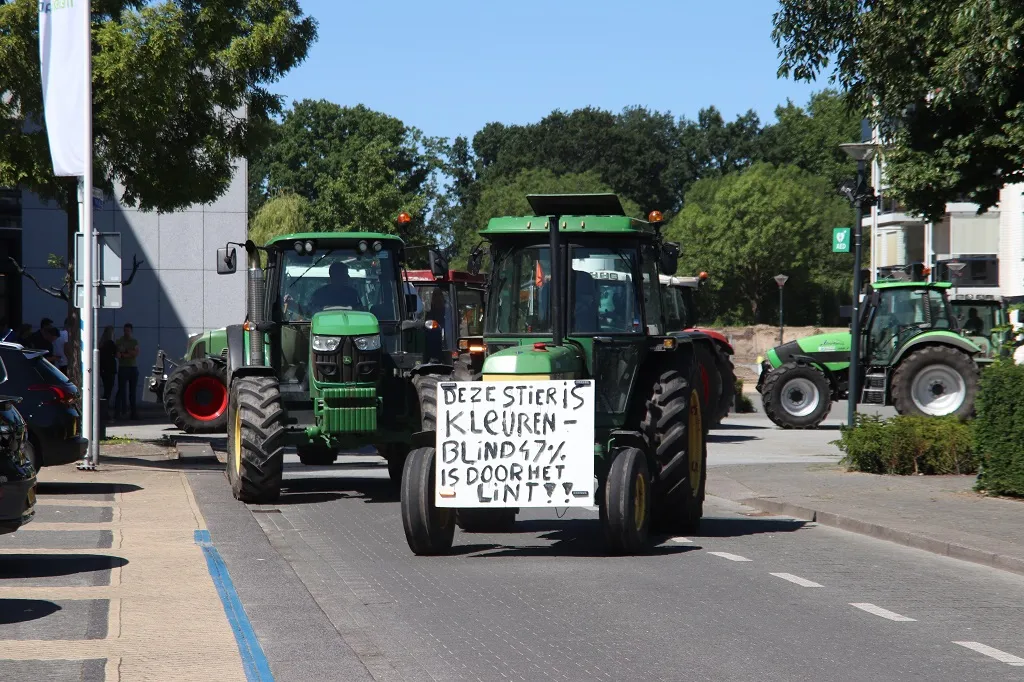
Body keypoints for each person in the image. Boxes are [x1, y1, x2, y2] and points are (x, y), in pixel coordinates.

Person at [114, 323, 140, 420]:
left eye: (128, 331)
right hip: (123, 367)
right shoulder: (119, 341)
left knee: (132, 391)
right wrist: (129, 353)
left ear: (131, 331)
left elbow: (136, 353)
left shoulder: (134, 341)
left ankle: (133, 413)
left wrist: (125, 351)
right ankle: (119, 412)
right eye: (125, 331)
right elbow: (118, 355)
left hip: (133, 368)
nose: (126, 332)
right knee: (121, 390)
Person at [99, 326, 118, 412]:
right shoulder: (111, 343)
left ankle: (104, 408)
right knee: (108, 390)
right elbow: (117, 354)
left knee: (106, 389)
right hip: (110, 369)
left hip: (103, 369)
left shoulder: (101, 344)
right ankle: (104, 409)